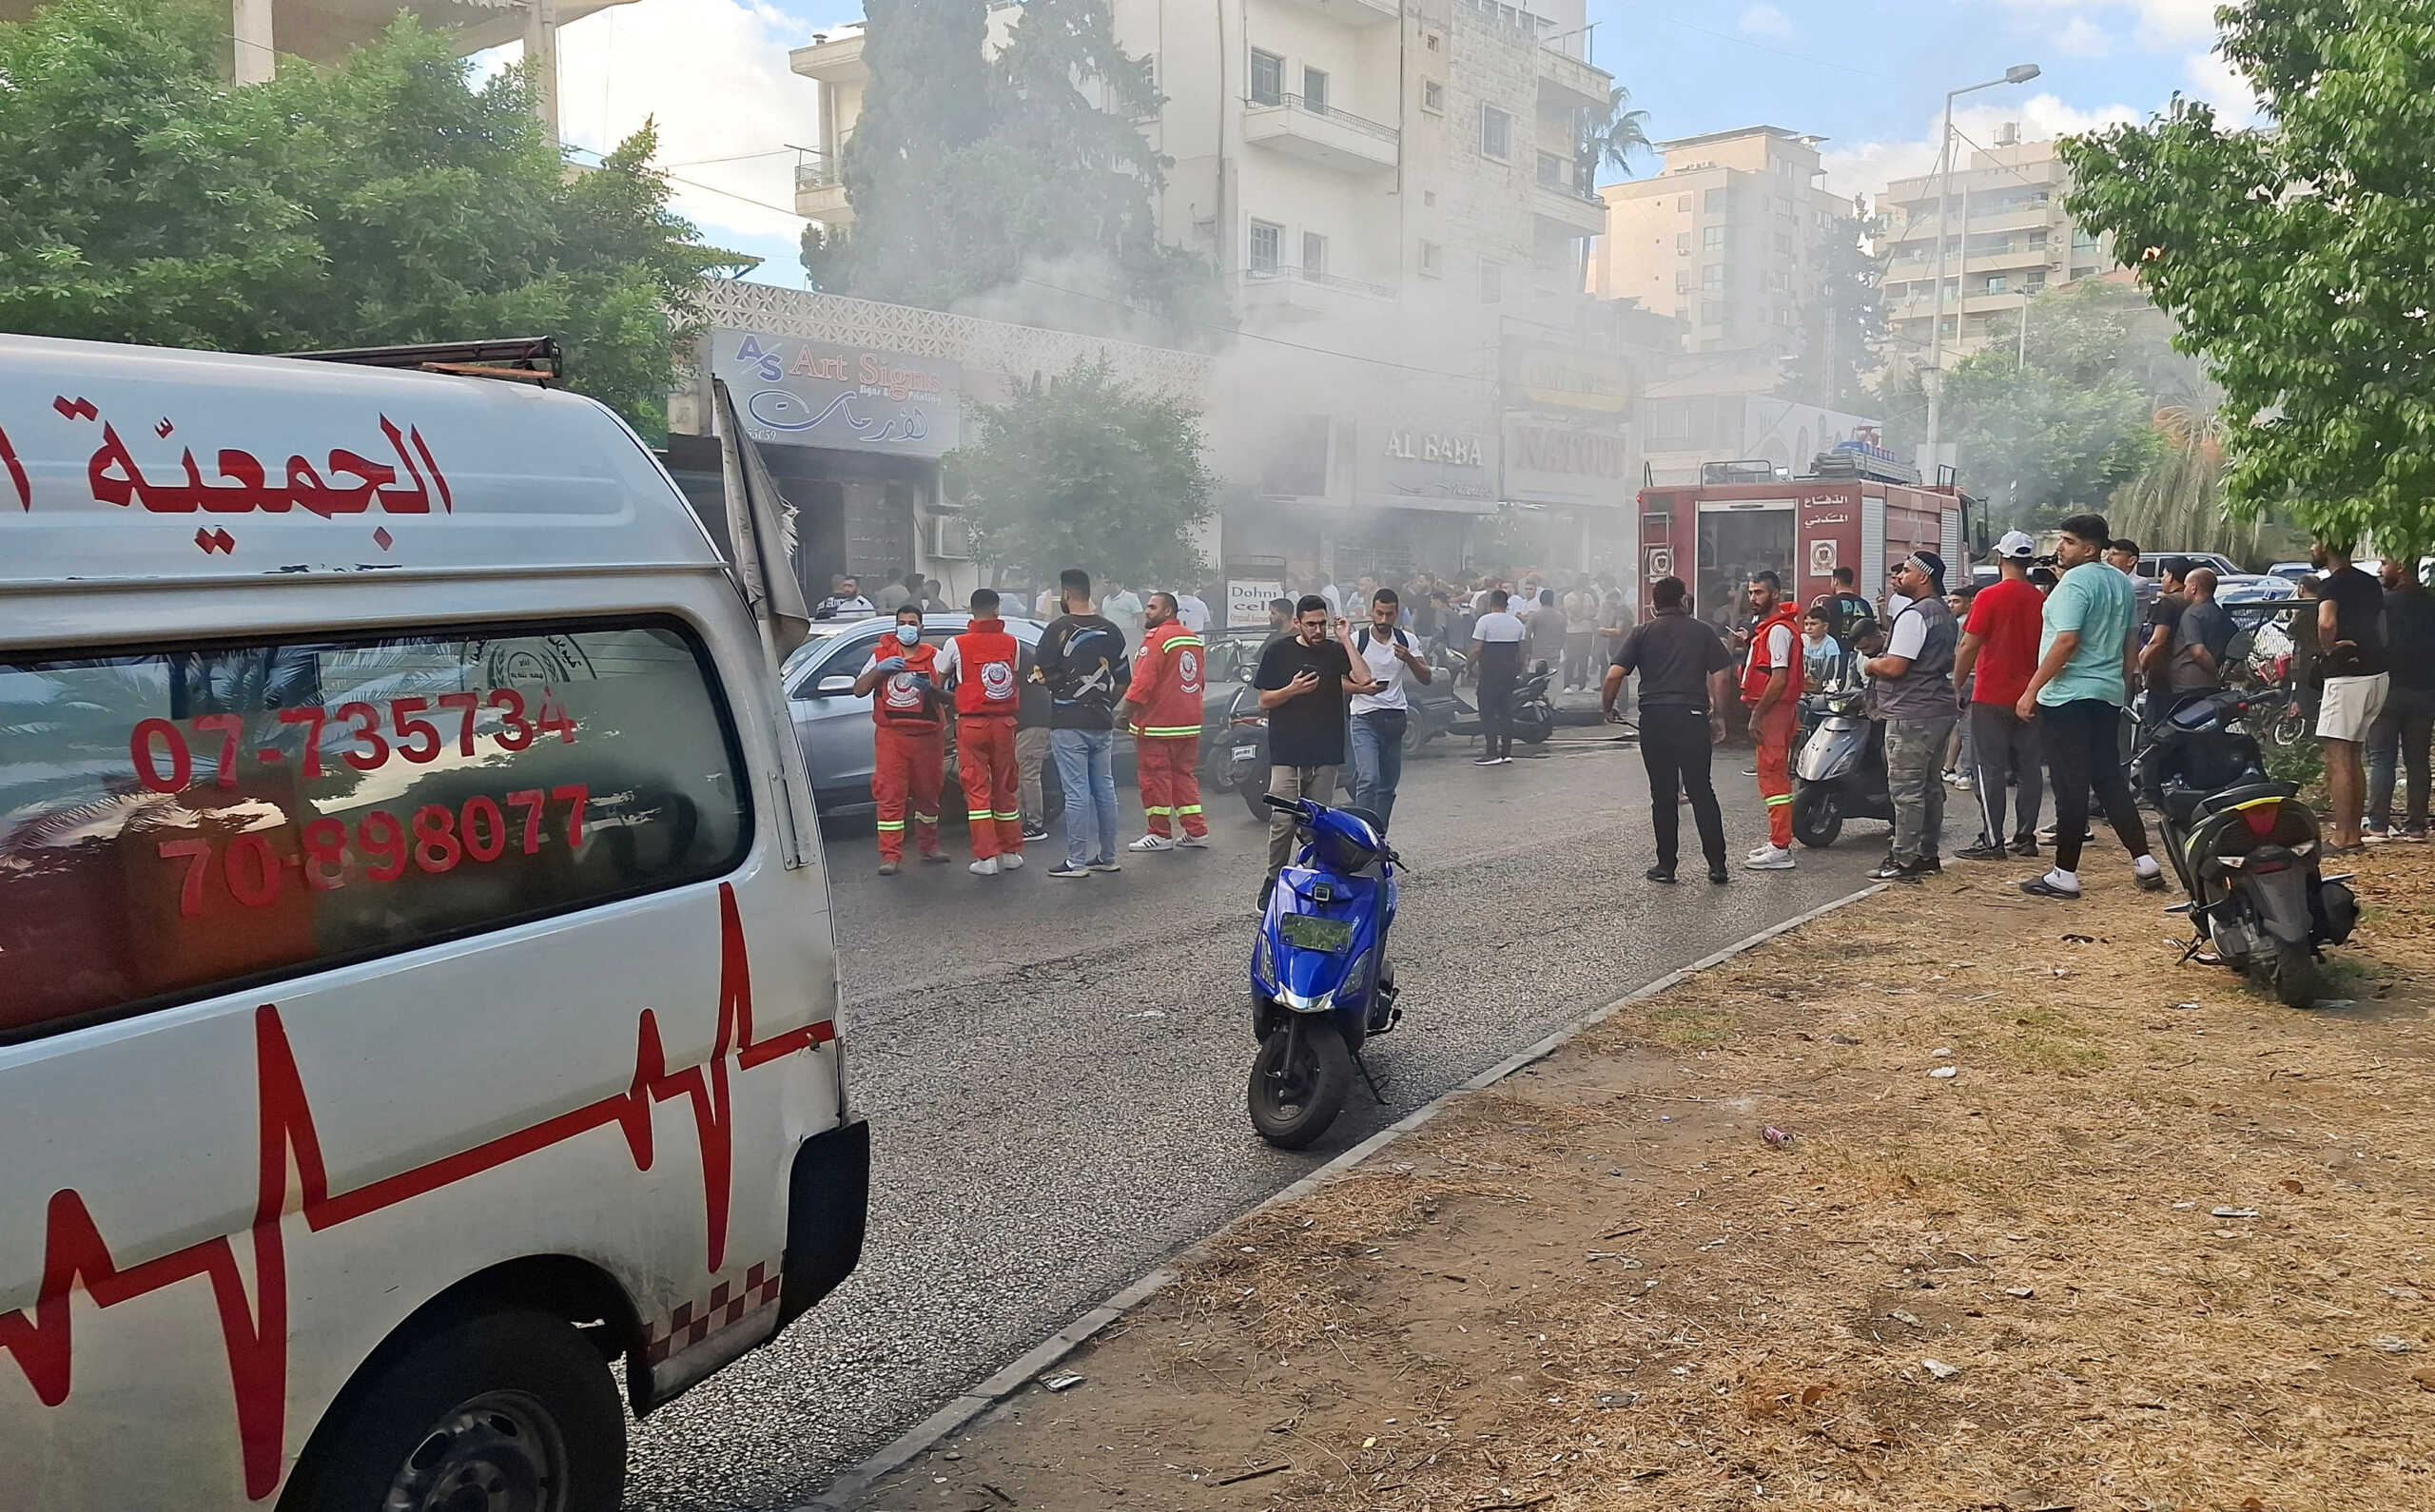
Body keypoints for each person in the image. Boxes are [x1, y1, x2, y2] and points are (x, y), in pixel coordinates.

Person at [2016, 513, 2168, 899]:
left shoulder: (2073, 584)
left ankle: (2064, 873)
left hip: (2067, 695)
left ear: (2090, 549)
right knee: (2108, 778)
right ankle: (2144, 861)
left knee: (2070, 783)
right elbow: (2131, 638)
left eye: (2067, 541)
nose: (2059, 548)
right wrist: (2126, 676)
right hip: (2106, 692)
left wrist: (2032, 688)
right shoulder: (2120, 583)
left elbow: (2066, 642)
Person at [1604, 575, 1733, 884]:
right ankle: (1717, 866)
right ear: (1684, 601)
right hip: (1691, 716)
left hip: (1654, 719)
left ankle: (1666, 866)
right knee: (1701, 791)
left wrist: (1607, 707)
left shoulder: (1642, 633)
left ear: (1653, 603)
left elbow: (1614, 674)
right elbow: (1723, 676)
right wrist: (1719, 716)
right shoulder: (1702, 631)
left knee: (1662, 795)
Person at [1256, 595, 1372, 901]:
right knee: (1282, 821)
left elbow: (1364, 678)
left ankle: (1318, 880)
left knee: (1318, 826)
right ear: (1297, 623)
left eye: (1322, 623)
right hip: (1287, 751)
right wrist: (1292, 690)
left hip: (1326, 750)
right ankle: (1272, 880)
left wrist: (1346, 639)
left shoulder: (1335, 651)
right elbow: (1264, 700)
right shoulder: (1278, 652)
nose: (1317, 630)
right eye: (1311, 624)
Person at [1861, 552, 1959, 882]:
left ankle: (1903, 859)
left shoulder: (1914, 615)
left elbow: (1895, 666)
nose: (1899, 576)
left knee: (1906, 790)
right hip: (1937, 709)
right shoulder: (1944, 613)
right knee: (1930, 786)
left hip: (1911, 713)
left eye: (1906, 571)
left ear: (1924, 577)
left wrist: (1871, 664)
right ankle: (1927, 854)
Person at [1952, 531, 2046, 862]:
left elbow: (1969, 644)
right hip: (2032, 695)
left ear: (2000, 559)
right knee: (2029, 769)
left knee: (1988, 768)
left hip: (1991, 694)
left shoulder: (1989, 597)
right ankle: (2026, 836)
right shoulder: (2041, 599)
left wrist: (1956, 683)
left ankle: (1993, 839)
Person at [1034, 569, 1130, 878]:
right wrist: (1104, 705)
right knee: (1104, 788)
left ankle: (1076, 861)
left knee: (1076, 792)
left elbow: (1042, 675)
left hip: (1068, 722)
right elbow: (1123, 681)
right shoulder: (1112, 631)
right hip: (1101, 722)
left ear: (1065, 594)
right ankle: (1108, 856)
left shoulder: (1056, 630)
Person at [935, 591, 1029, 877]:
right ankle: (1012, 851)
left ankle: (986, 857)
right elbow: (1013, 679)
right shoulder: (1013, 643)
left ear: (970, 610)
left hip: (972, 724)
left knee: (977, 791)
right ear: (997, 609)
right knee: (1005, 787)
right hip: (1005, 724)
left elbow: (937, 681)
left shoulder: (956, 644)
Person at [851, 605, 949, 874]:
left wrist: (933, 690)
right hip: (892, 737)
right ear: (895, 626)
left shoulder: (936, 657)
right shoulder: (880, 655)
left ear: (921, 627)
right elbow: (859, 689)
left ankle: (929, 847)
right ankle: (890, 855)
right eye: (902, 622)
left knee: (929, 795)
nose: (907, 626)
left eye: (912, 622)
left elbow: (952, 697)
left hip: (928, 737)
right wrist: (879, 670)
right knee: (890, 795)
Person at [2311, 536, 2390, 850]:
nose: (2312, 548)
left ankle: (2343, 837)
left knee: (2338, 756)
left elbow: (2326, 622)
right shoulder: (2370, 583)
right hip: (2377, 673)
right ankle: (2353, 833)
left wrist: (2327, 649)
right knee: (2354, 754)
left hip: (2347, 676)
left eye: (2315, 542)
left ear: (2328, 545)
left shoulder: (2332, 585)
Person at [1121, 591, 1209, 852]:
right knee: (1183, 776)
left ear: (1168, 611)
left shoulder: (1156, 639)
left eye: (1152, 607)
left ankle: (1159, 833)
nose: (1147, 611)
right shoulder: (1191, 638)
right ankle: (1196, 831)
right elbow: (1199, 681)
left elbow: (1142, 684)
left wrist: (1124, 714)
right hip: (1189, 723)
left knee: (1154, 778)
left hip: (1159, 725)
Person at [1341, 588, 1432, 831]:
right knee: (1369, 778)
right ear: (1371, 611)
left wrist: (1410, 660)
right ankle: (1359, 833)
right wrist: (1362, 690)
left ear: (1397, 614)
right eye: (1379, 613)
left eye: (1388, 614)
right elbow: (1338, 681)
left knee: (1388, 785)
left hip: (1394, 717)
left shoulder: (1406, 641)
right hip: (1363, 717)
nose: (1383, 620)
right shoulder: (1357, 641)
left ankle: (1378, 835)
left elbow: (1426, 678)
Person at [1738, 571, 1804, 871]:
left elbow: (1778, 680)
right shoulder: (1770, 629)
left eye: (1759, 593)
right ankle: (1777, 841)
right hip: (1775, 710)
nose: (1753, 598)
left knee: (1775, 778)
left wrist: (1757, 714)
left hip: (1774, 711)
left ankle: (1780, 847)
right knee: (1771, 776)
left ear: (1775, 594)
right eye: (1751, 592)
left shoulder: (1778, 631)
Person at [2366, 555, 2432, 842]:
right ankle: (2417, 825)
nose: (2380, 570)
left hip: (2388, 688)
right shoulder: (2430, 604)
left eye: (2385, 563)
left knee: (2382, 758)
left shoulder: (2383, 604)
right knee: (2418, 759)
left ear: (2401, 566)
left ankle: (2378, 823)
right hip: (2425, 689)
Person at [1469, 590, 1529, 766]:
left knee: (1487, 713)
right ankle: (1506, 752)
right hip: (1509, 675)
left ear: (1491, 603)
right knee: (1506, 713)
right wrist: (1520, 670)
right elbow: (1522, 651)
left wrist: (1468, 666)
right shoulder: (1517, 623)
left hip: (1489, 674)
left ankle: (1491, 752)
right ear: (1507, 604)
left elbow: (1477, 649)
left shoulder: (1484, 621)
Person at [2165, 567, 2234, 703]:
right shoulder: (2220, 614)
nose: (2184, 590)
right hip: (2211, 688)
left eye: (2185, 586)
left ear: (2193, 588)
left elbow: (2198, 652)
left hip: (2189, 685)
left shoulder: (2192, 614)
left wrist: (2216, 674)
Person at [2133, 560, 2189, 723]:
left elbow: (2157, 640)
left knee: (2154, 728)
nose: (2162, 580)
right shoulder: (2191, 601)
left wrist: (2140, 667)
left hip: (2163, 677)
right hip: (2186, 677)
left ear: (2171, 577)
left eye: (2164, 575)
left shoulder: (2167, 603)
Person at [1014, 634, 1053, 843]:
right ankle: (1019, 821)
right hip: (1026, 722)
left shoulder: (1016, 654)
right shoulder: (1019, 653)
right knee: (1021, 772)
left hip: (1032, 723)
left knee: (1027, 774)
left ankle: (1034, 825)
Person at [1940, 583, 1978, 792]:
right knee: (1962, 727)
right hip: (1962, 678)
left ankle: (1963, 771)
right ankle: (1954, 768)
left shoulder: (1963, 623)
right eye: (1950, 601)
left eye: (1956, 602)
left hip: (1963, 678)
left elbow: (1962, 652)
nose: (1951, 605)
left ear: (1968, 603)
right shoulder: (1956, 622)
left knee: (1964, 728)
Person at [1814, 565, 1880, 651]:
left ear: (1835, 582)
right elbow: (1872, 631)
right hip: (1861, 655)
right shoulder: (1865, 604)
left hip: (1836, 654)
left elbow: (1821, 632)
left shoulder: (1828, 604)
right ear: (1852, 583)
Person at [1528, 588, 1568, 679]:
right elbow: (1563, 637)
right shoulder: (1561, 617)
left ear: (1540, 600)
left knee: (1534, 680)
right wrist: (1558, 648)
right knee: (1553, 681)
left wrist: (1528, 651)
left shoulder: (1535, 616)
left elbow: (1528, 635)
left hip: (1537, 654)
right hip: (1554, 654)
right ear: (1553, 601)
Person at [1800, 608, 1844, 688]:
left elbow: (1834, 670)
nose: (1808, 628)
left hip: (1823, 685)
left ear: (1825, 626)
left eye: (1813, 624)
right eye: (1806, 624)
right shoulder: (1803, 640)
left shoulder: (1830, 644)